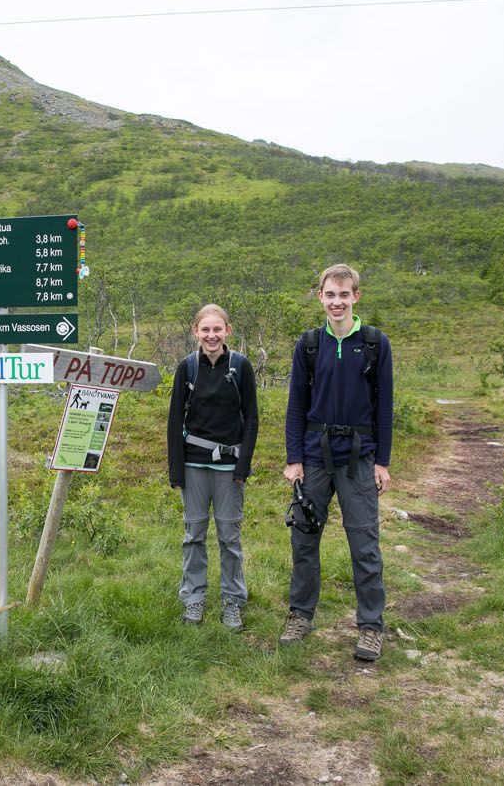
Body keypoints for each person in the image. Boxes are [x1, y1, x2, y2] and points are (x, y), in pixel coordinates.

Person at [280, 264, 393, 660]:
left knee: (364, 542)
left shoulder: (376, 343)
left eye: (344, 295)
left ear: (356, 297)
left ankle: (370, 626)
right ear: (320, 297)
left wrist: (382, 461)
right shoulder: (309, 345)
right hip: (314, 456)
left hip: (360, 457)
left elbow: (384, 406)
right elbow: (296, 405)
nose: (337, 302)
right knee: (305, 537)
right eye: (330, 295)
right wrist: (294, 459)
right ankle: (300, 614)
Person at [167, 304, 259, 631]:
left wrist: (242, 466)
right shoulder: (187, 368)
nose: (211, 335)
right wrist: (176, 470)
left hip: (229, 468)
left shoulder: (242, 367)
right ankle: (193, 597)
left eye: (217, 329)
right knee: (193, 535)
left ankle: (232, 600)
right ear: (196, 332)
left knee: (229, 537)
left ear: (227, 331)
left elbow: (251, 420)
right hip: (193, 466)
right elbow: (175, 419)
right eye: (205, 330)